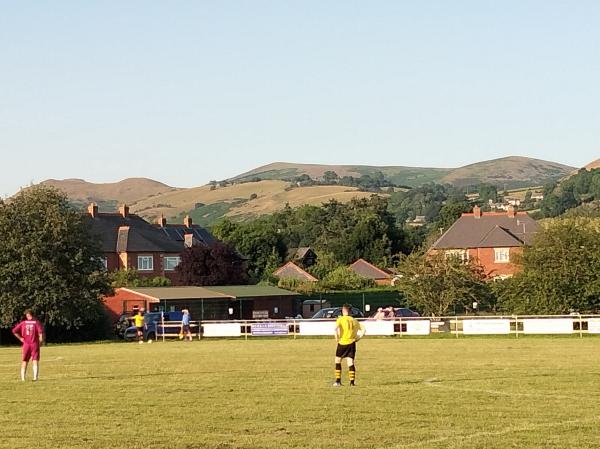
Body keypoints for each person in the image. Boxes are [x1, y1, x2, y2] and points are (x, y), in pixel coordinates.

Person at [333, 304, 366, 387]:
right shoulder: (354, 320)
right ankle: (352, 383)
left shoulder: (340, 319)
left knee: (337, 361)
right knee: (350, 362)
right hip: (352, 343)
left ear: (343, 311)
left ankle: (338, 381)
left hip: (342, 342)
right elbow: (364, 329)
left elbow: (336, 328)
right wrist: (358, 338)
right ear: (350, 311)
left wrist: (336, 337)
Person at [12, 309, 44, 381]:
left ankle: (23, 378)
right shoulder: (36, 322)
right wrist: (41, 341)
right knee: (35, 360)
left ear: (27, 315)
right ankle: (35, 378)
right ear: (33, 315)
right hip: (34, 343)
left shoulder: (23, 323)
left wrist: (20, 338)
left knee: (24, 360)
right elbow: (40, 333)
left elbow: (14, 331)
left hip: (26, 344)